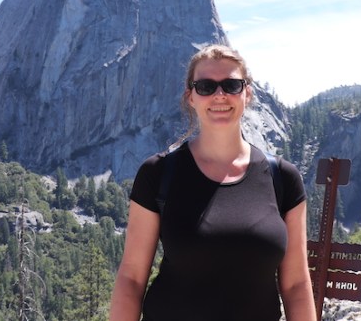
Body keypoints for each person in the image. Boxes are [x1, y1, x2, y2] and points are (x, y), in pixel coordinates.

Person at [110, 44, 316, 321]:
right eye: (206, 86)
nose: (220, 95)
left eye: (231, 85)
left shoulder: (283, 178)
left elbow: (296, 286)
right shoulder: (158, 173)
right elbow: (131, 279)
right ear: (191, 96)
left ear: (247, 93)